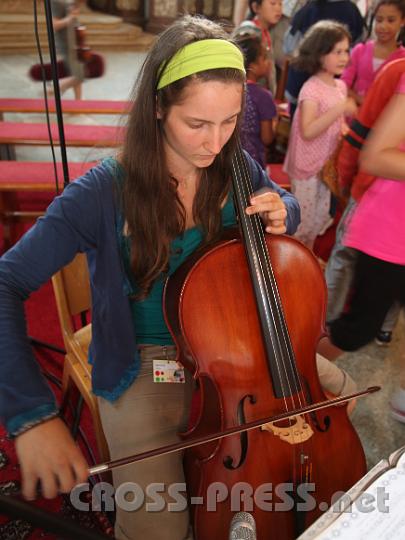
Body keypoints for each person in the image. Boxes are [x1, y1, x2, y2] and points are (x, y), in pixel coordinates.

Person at [0, 16, 301, 540]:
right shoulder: (102, 190)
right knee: (157, 529)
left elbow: (282, 203)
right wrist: (31, 414)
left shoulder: (239, 165)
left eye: (230, 121)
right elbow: (6, 283)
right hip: (148, 360)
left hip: (237, 348)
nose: (216, 142)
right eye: (197, 124)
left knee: (324, 415)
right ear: (159, 106)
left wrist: (286, 210)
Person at [325, 58, 405, 343]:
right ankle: (322, 323)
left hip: (389, 228)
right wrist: (348, 180)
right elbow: (368, 145)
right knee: (354, 330)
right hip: (387, 225)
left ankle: (384, 328)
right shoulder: (397, 70)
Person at [283, 20, 358, 249]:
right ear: (319, 53)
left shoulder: (340, 87)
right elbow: (308, 130)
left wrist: (345, 130)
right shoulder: (311, 88)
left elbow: (338, 123)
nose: (344, 57)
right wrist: (340, 109)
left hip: (326, 165)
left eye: (346, 50)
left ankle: (308, 253)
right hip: (307, 166)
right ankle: (294, 259)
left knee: (319, 215)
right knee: (302, 221)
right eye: (337, 52)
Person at [283, 0, 365, 117]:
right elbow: (359, 47)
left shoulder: (308, 9)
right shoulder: (352, 12)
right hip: (325, 90)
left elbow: (289, 46)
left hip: (303, 87)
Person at [341, 0, 405, 105]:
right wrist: (360, 100)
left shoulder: (402, 59)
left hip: (386, 119)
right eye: (379, 20)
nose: (383, 26)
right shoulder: (360, 50)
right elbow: (343, 85)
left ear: (402, 21)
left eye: (391, 20)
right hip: (354, 116)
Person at [237, 34, 277, 167]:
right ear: (253, 66)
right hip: (253, 162)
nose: (269, 62)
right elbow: (267, 138)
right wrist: (275, 125)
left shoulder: (231, 90)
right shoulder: (263, 96)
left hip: (229, 158)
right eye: (265, 58)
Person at [233, 0, 283, 93]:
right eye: (273, 3)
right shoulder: (248, 32)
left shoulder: (266, 32)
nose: (278, 8)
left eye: (280, 4)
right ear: (256, 7)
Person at [51, 0, 85, 99]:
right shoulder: (56, 2)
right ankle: (55, 87)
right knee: (79, 75)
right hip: (66, 43)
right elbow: (55, 25)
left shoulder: (69, 1)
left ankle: (78, 104)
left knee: (77, 71)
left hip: (74, 40)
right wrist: (71, 17)